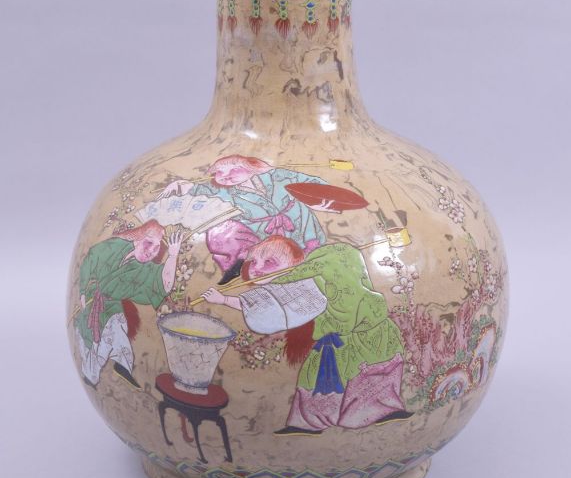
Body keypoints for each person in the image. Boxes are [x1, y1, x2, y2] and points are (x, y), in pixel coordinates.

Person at [201, 238, 412, 435]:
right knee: (313, 379)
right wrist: (223, 300)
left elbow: (348, 303)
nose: (257, 269)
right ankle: (309, 422)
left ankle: (380, 411)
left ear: (294, 265)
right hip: (332, 344)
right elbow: (257, 304)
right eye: (253, 262)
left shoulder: (314, 279)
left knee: (367, 377)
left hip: (366, 340)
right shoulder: (285, 286)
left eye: (269, 262)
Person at [157, 155, 339, 284]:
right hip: (265, 232)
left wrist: (320, 198)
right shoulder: (226, 192)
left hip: (297, 220)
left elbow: (305, 181)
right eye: (220, 173)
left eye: (234, 169)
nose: (227, 176)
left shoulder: (276, 176)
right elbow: (206, 190)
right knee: (274, 260)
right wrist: (184, 186)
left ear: (251, 168)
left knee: (308, 250)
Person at [74, 220, 184, 389]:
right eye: (149, 243)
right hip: (92, 302)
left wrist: (173, 255)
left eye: (156, 248)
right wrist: (82, 291)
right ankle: (92, 374)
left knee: (115, 329)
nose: (151, 252)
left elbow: (165, 285)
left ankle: (123, 366)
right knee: (91, 343)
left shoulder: (146, 269)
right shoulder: (115, 246)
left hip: (112, 307)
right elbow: (91, 257)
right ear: (138, 238)